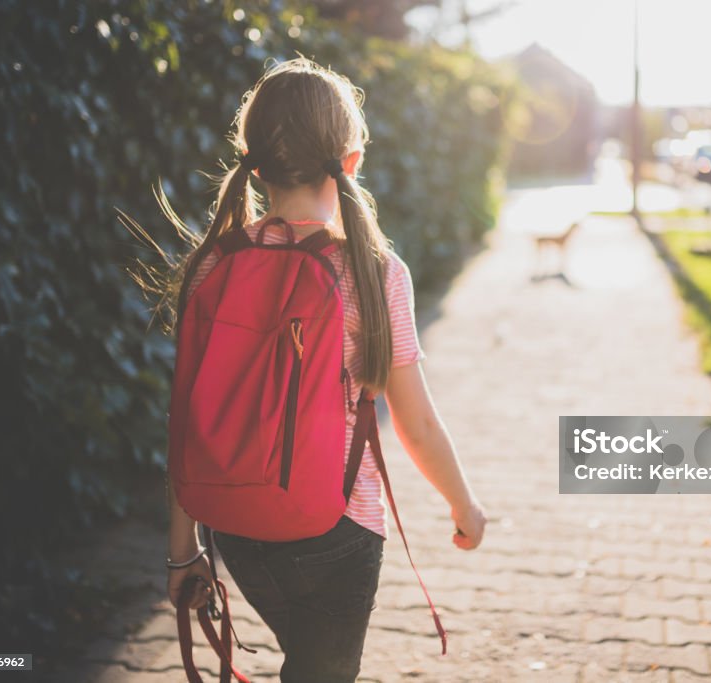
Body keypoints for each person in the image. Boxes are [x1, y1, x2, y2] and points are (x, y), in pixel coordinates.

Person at [162, 58, 487, 682]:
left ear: (253, 156)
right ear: (352, 157)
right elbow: (414, 420)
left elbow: (186, 417)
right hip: (338, 529)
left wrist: (183, 554)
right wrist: (463, 504)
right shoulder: (374, 272)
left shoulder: (212, 265)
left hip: (234, 524)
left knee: (304, 660)